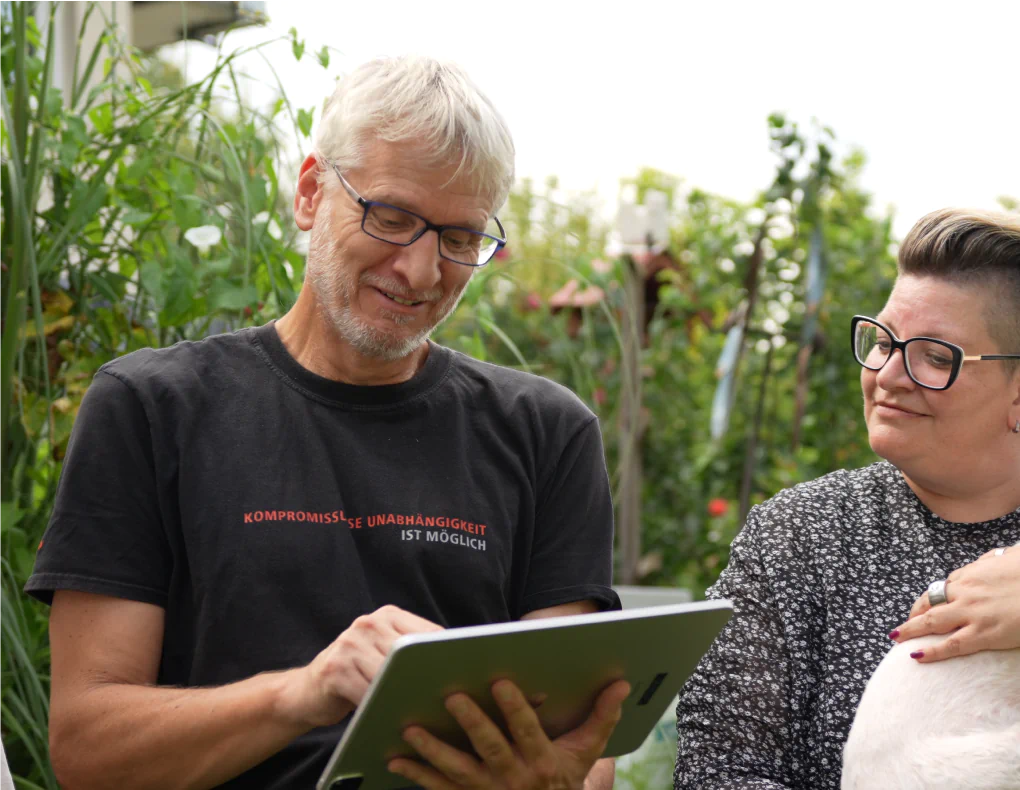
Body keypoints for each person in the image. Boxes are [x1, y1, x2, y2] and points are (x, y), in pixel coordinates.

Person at [26, 56, 628, 790]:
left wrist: (554, 778)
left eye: (460, 239)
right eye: (393, 218)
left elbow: (581, 746)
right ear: (311, 191)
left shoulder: (545, 433)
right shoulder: (152, 409)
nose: (419, 270)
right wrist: (303, 694)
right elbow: (89, 749)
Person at [675, 208, 1020, 788]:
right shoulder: (803, 534)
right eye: (881, 341)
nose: (887, 373)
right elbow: (718, 770)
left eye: (934, 356)